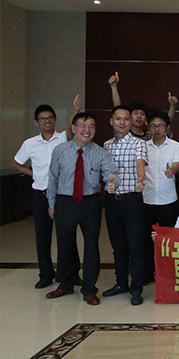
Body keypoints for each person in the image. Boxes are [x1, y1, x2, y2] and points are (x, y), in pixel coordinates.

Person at [45, 112, 118, 306]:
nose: (87, 130)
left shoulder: (100, 152)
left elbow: (111, 173)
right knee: (65, 244)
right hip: (65, 202)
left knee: (91, 246)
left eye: (91, 126)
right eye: (83, 126)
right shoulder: (60, 150)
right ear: (74, 128)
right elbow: (52, 178)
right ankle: (65, 284)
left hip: (90, 203)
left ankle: (89, 289)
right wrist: (51, 204)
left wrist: (112, 183)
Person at [13, 99, 80, 289]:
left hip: (62, 194)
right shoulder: (30, 144)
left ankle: (72, 273)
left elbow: (71, 130)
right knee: (43, 236)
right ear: (37, 122)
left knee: (67, 235)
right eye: (43, 119)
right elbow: (17, 163)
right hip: (41, 194)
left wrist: (76, 109)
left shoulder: (62, 138)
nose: (47, 121)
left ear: (55, 119)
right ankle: (45, 274)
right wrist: (34, 174)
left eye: (50, 117)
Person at [102, 105, 147, 306]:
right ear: (111, 121)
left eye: (126, 119)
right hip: (112, 201)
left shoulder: (139, 143)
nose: (122, 122)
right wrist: (107, 182)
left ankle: (136, 288)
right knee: (118, 246)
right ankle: (121, 283)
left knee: (135, 247)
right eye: (118, 119)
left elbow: (140, 163)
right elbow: (105, 170)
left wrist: (141, 179)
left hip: (132, 200)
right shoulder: (106, 145)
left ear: (131, 122)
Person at [141, 110, 179, 285]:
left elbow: (177, 164)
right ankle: (147, 272)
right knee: (146, 238)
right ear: (148, 127)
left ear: (166, 127)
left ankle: (167, 273)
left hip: (168, 199)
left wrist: (172, 170)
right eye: (153, 125)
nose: (157, 129)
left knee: (168, 239)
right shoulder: (143, 146)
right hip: (147, 198)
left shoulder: (175, 146)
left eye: (160, 126)